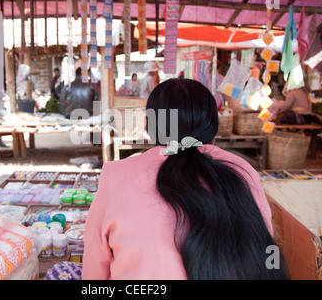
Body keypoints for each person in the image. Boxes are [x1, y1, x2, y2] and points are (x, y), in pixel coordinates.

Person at [82, 78, 289, 280]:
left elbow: (94, 268)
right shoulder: (243, 169)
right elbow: (264, 245)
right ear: (212, 126)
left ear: (150, 127)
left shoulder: (116, 175)